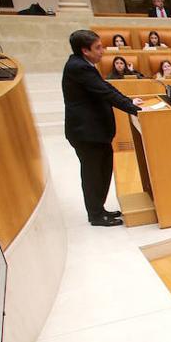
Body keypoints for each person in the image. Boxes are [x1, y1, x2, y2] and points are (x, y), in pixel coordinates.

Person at [61, 29, 142, 227]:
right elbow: (105, 93)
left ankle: (99, 208)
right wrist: (134, 108)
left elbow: (106, 88)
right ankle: (96, 214)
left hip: (94, 132)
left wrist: (130, 101)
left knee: (102, 170)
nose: (102, 51)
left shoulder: (83, 65)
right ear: (85, 50)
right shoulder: (79, 68)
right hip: (87, 133)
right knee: (93, 174)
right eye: (98, 48)